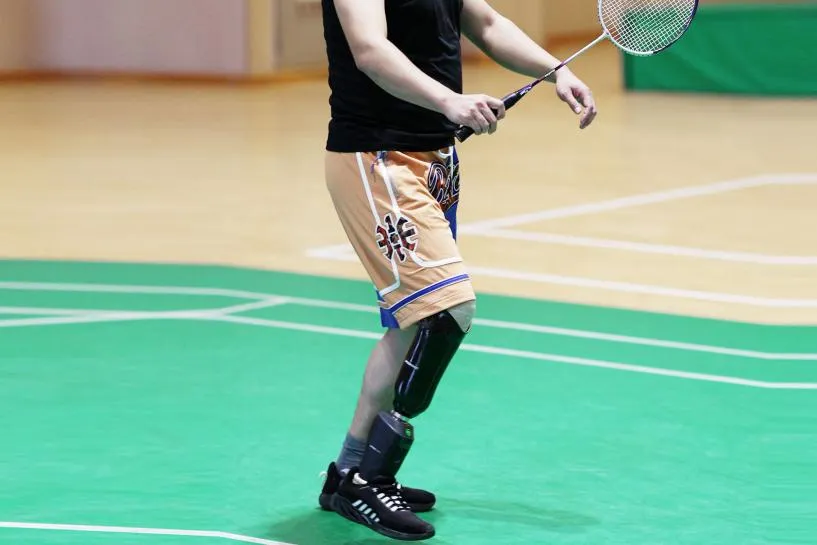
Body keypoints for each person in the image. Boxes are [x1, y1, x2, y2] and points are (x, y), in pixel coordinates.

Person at [317, 0, 597, 540]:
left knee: (413, 322)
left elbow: (486, 23)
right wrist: (450, 100)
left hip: (435, 159)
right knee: (446, 312)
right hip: (378, 158)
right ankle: (370, 477)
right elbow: (369, 49)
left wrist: (556, 71)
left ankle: (349, 473)